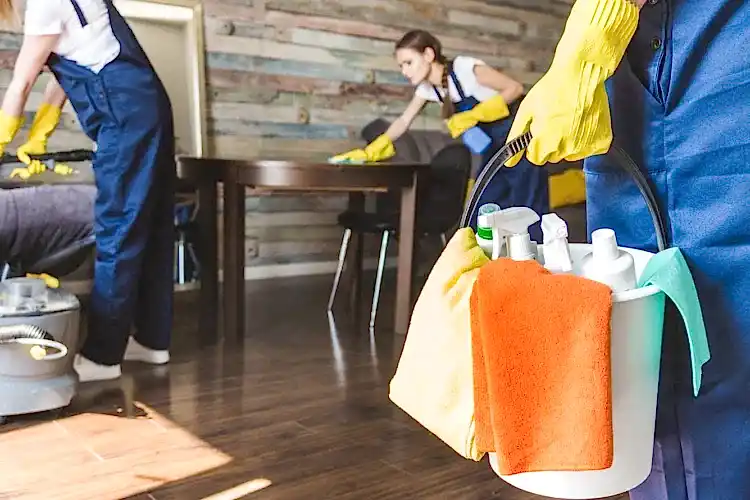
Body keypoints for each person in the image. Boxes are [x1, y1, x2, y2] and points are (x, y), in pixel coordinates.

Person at [505, 0, 750, 498]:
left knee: (711, 335)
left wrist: (587, 44)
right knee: (636, 328)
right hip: (639, 54)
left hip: (712, 43)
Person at [0, 0, 176, 382]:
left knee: (117, 228)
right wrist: (41, 131)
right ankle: (152, 340)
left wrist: (2, 141)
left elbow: (21, 82)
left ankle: (103, 356)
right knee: (154, 224)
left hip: (125, 119)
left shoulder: (44, 4)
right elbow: (69, 71)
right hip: (148, 107)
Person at [331, 29, 550, 240]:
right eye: (401, 66)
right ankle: (487, 263)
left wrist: (475, 114)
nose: (404, 71)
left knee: (529, 207)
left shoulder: (465, 69)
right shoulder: (429, 89)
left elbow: (514, 88)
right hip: (494, 150)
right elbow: (404, 121)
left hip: (519, 141)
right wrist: (371, 150)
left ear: (428, 55)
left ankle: (539, 261)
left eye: (408, 63)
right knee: (482, 210)